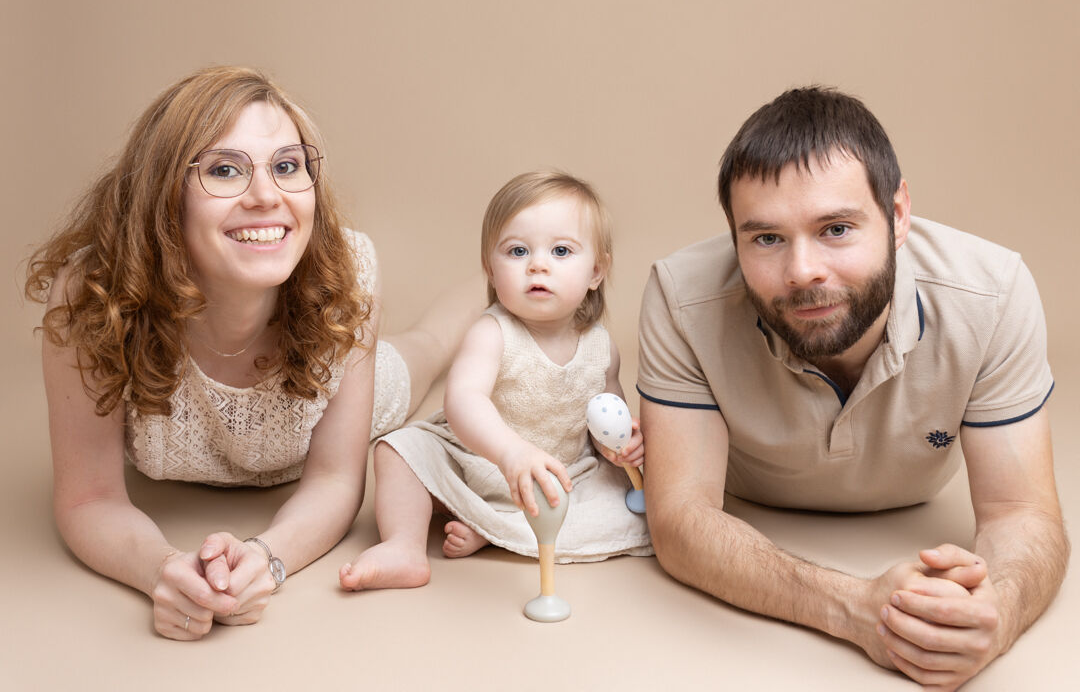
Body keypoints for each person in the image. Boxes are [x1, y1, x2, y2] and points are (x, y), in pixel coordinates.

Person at [637, 87, 1067, 690]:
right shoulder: (681, 299)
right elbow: (681, 519)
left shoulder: (994, 295)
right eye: (765, 239)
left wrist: (997, 614)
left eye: (836, 228)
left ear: (897, 215)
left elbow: (1020, 511)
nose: (802, 271)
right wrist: (854, 608)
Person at [26, 66, 477, 640]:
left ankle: (492, 281)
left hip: (335, 405)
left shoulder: (351, 273)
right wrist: (163, 571)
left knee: (430, 345)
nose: (267, 196)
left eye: (287, 166)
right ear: (163, 195)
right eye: (224, 170)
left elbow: (336, 481)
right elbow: (89, 496)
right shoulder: (95, 295)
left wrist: (268, 558)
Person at [340, 171, 652, 591]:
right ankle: (404, 545)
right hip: (479, 460)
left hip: (560, 475)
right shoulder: (492, 333)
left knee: (624, 503)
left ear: (596, 271)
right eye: (518, 251)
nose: (538, 264)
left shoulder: (601, 348)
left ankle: (492, 528)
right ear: (490, 268)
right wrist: (509, 454)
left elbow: (603, 419)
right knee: (398, 451)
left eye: (561, 251)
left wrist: (620, 444)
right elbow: (464, 400)